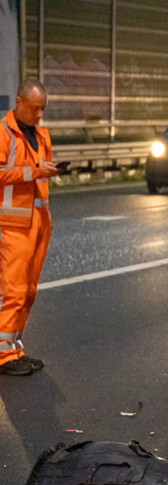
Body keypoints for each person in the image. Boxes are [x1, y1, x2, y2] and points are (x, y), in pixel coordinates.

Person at [0, 79, 59, 376]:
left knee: (29, 291)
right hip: (12, 222)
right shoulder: (3, 132)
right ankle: (3, 354)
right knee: (13, 289)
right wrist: (34, 171)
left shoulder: (41, 135)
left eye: (42, 109)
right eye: (35, 108)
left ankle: (13, 348)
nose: (39, 114)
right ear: (19, 102)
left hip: (39, 221)